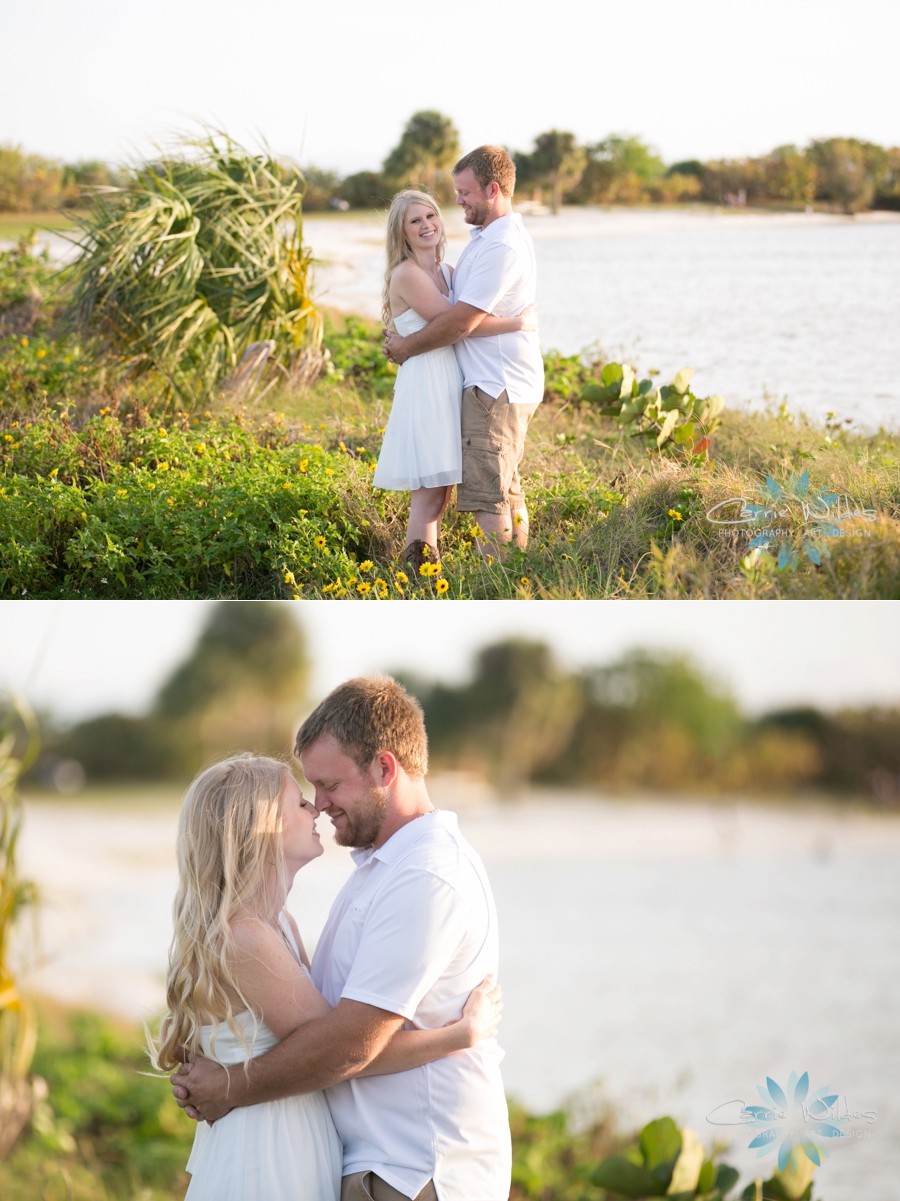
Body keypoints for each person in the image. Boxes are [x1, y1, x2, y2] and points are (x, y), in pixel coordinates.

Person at [171, 676, 511, 1201]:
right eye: (307, 794)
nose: (320, 804)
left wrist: (230, 1086)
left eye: (328, 785)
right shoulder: (377, 868)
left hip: (414, 1169)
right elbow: (326, 1032)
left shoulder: (424, 875)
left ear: (384, 768)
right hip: (360, 1163)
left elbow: (346, 1044)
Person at [383, 146, 544, 559]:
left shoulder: (481, 253)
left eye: (463, 193)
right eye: (415, 221)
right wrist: (514, 323)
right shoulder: (434, 263)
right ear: (400, 233)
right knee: (455, 493)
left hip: (486, 386)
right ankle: (424, 573)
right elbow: (456, 321)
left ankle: (505, 573)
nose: (455, 204)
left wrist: (404, 345)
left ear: (492, 189)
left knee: (493, 489)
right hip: (439, 389)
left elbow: (458, 323)